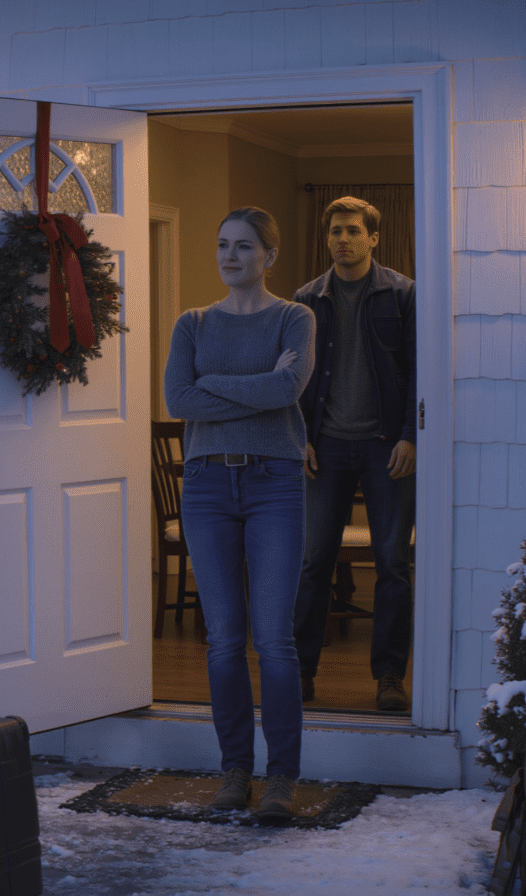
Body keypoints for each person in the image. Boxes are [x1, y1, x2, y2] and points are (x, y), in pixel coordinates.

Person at [164, 207, 315, 819]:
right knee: (224, 640)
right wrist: (257, 384)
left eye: (245, 246)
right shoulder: (193, 323)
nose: (231, 256)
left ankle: (281, 780)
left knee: (274, 640)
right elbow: (178, 398)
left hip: (275, 481)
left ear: (269, 257)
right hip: (205, 485)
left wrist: (214, 384)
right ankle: (234, 772)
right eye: (223, 244)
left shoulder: (295, 317)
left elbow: (288, 389)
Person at [292, 195, 416, 712]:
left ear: (373, 238)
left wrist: (411, 435)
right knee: (312, 563)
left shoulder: (402, 294)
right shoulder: (307, 298)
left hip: (387, 447)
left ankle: (389, 676)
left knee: (393, 564)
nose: (342, 239)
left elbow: (419, 369)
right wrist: (299, 436)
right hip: (325, 447)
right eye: (335, 231)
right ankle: (300, 673)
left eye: (352, 230)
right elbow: (295, 375)